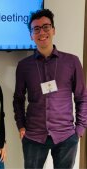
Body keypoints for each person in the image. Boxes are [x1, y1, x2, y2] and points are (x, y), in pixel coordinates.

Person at [13, 9, 87, 169]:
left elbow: (82, 97)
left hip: (66, 136)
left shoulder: (72, 62)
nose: (42, 32)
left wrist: (79, 129)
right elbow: (18, 99)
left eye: (46, 27)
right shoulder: (24, 66)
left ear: (53, 30)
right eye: (36, 29)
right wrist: (21, 126)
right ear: (31, 35)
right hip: (33, 136)